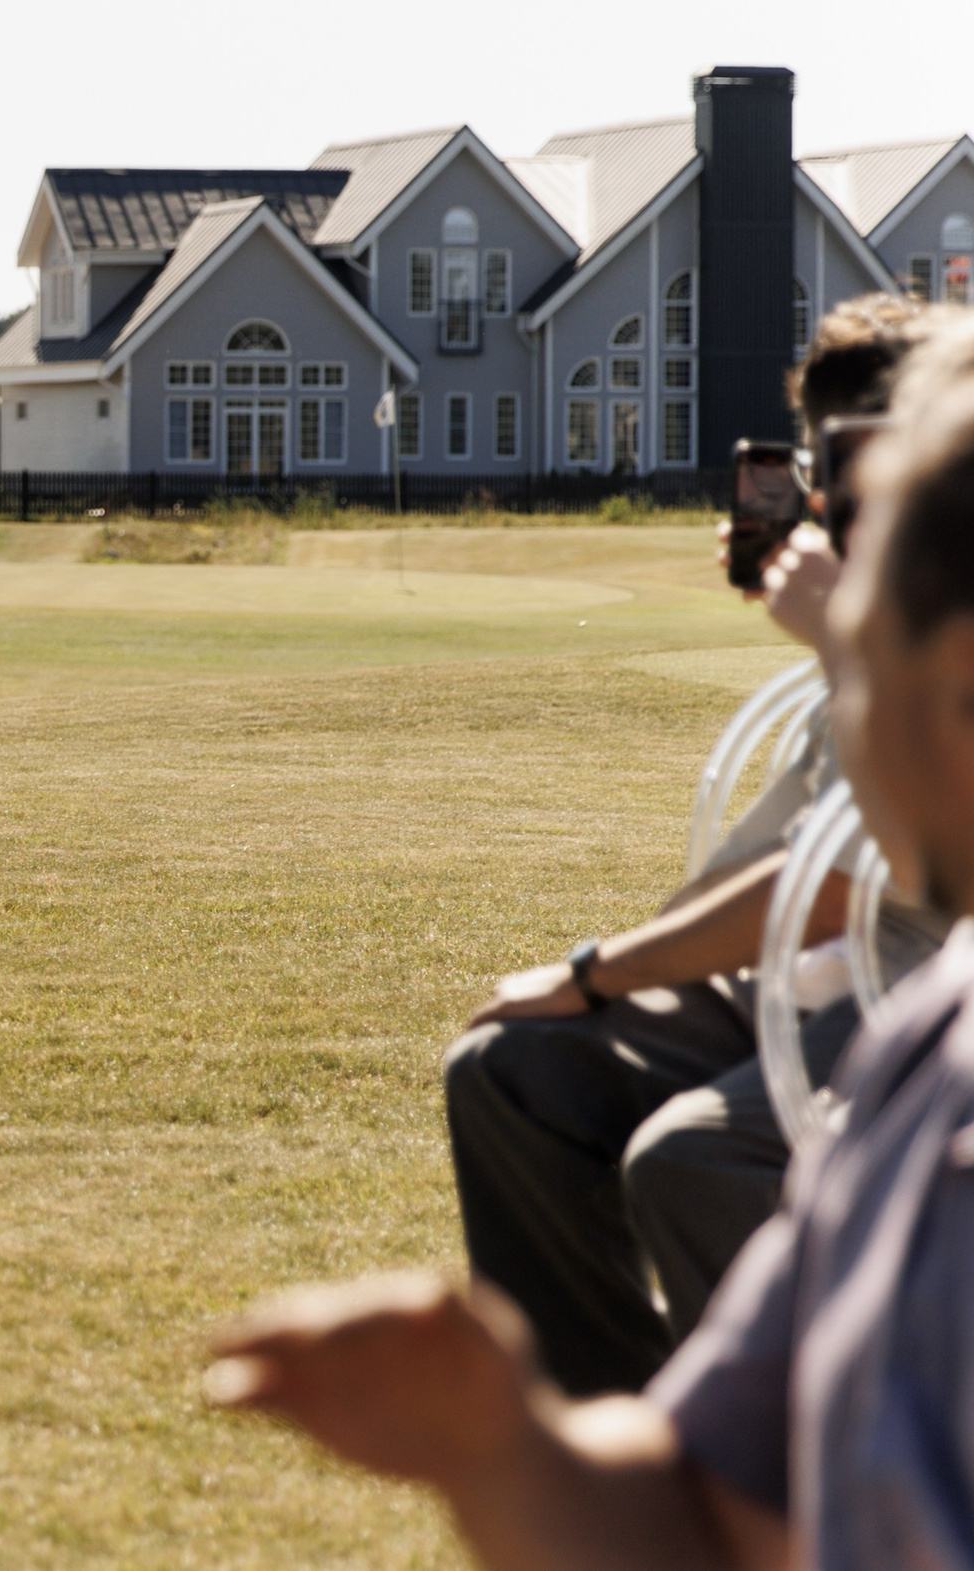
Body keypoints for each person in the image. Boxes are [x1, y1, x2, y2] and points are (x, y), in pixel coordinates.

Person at [205, 313, 974, 1569]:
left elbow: (827, 873)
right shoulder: (919, 1067)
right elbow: (704, 1525)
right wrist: (504, 1442)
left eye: (859, 659)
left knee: (688, 1155)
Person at [444, 297, 950, 1397]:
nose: (842, 491)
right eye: (830, 459)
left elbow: (851, 878)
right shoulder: (873, 598)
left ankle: (782, 1484)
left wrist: (594, 971)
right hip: (819, 964)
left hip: (919, 974)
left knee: (698, 1157)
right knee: (511, 1074)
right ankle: (611, 1444)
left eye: (881, 449)